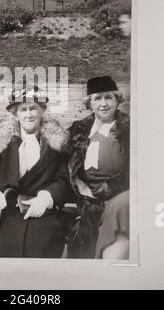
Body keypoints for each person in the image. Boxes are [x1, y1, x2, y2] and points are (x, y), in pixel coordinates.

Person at [0, 85, 74, 258]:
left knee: (41, 243)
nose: (29, 114)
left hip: (39, 210)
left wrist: (47, 198)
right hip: (2, 209)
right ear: (15, 114)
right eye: (23, 109)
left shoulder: (55, 143)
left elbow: (63, 179)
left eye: (34, 108)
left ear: (42, 111)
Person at [67, 76, 130, 259]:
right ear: (89, 103)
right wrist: (79, 187)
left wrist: (106, 193)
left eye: (108, 97)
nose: (103, 104)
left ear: (117, 100)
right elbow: (63, 162)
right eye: (97, 98)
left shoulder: (128, 129)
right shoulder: (78, 130)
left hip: (116, 199)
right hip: (84, 200)